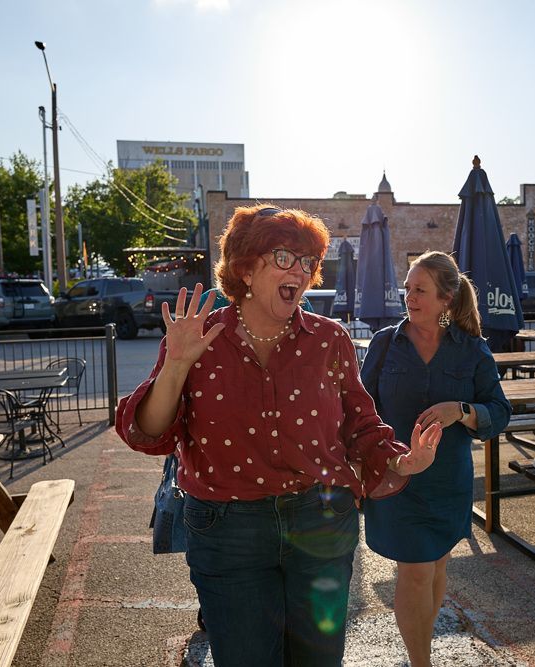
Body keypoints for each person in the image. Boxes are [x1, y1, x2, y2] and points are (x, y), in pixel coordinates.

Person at [115, 204, 443, 666]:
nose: (303, 271)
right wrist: (176, 365)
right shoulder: (199, 336)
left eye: (309, 262)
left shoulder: (329, 339)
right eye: (286, 257)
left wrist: (398, 459)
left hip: (321, 520)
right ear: (247, 268)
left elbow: (360, 423)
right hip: (228, 528)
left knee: (319, 659)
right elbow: (148, 432)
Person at [360, 250, 511, 667]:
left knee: (437, 567)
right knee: (416, 571)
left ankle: (420, 649)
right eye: (407, 288)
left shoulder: (472, 350)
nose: (409, 296)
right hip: (398, 479)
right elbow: (359, 409)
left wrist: (461, 410)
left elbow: (499, 412)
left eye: (420, 289)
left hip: (448, 483)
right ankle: (421, 662)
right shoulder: (385, 344)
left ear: (446, 299)